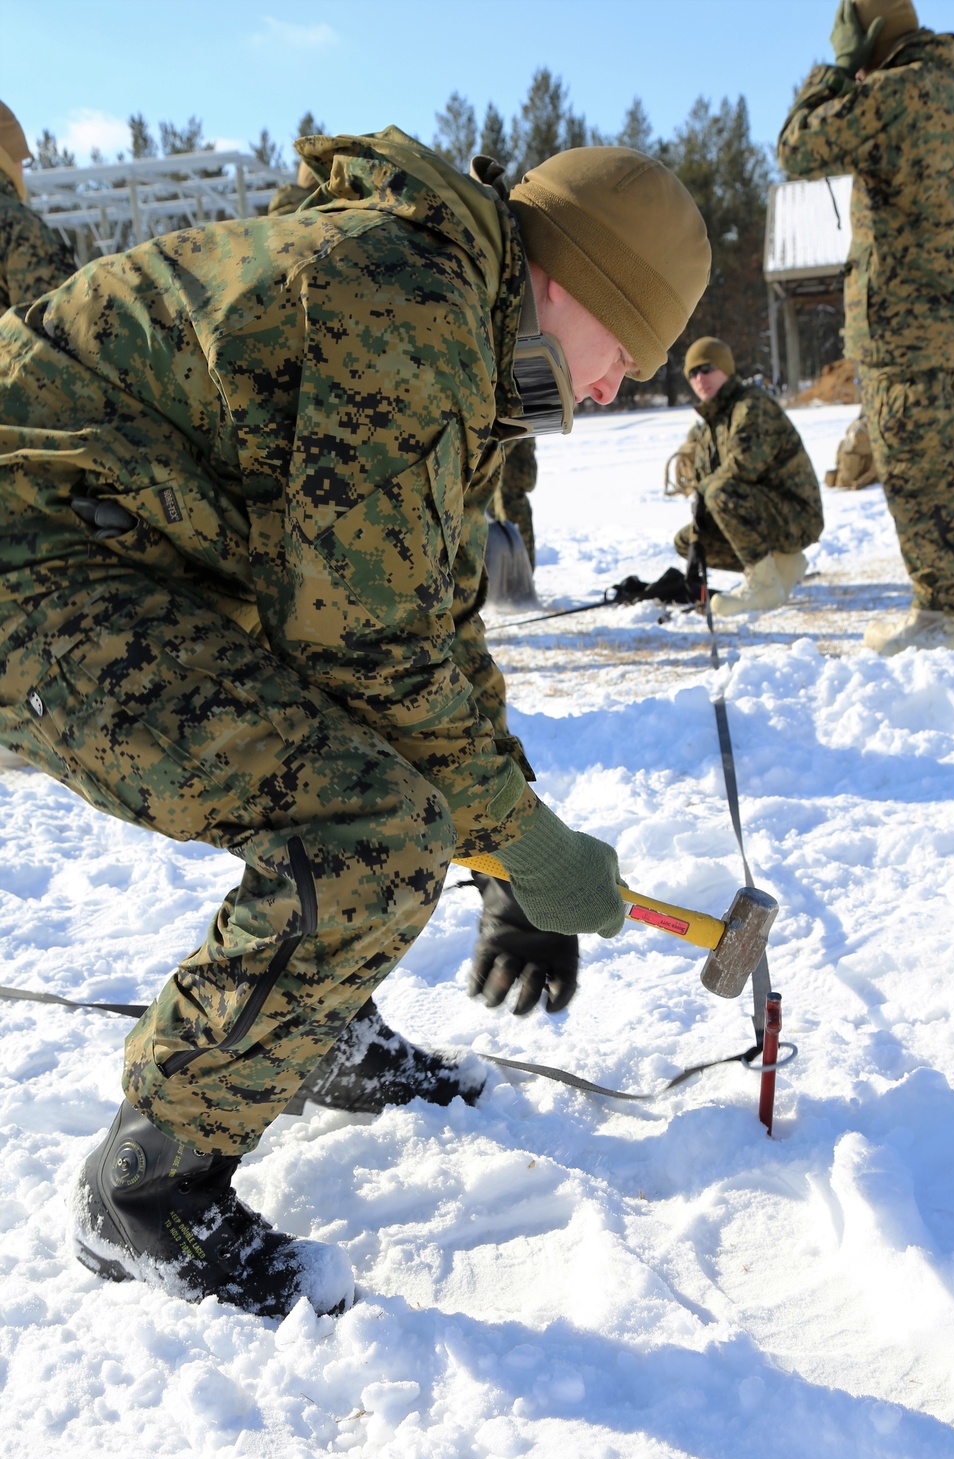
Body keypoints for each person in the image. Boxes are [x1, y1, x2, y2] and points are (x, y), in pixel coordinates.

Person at [0, 126, 710, 1316]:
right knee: (369, 825)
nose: (608, 390)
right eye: (622, 352)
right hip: (37, 569)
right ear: (571, 281)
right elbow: (366, 647)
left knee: (396, 786)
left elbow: (427, 620)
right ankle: (146, 1189)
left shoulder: (459, 314)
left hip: (121, 550)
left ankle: (308, 1025)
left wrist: (501, 847)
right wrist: (523, 845)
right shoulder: (406, 305)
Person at [777, 0, 954, 655]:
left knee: (912, 475)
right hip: (944, 318)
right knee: (932, 468)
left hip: (902, 323)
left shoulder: (894, 96)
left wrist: (838, 70)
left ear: (869, 38)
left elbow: (796, 146)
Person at [611, 336, 823, 614]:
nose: (700, 378)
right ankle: (780, 566)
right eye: (692, 373)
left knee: (720, 492)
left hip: (797, 517)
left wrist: (704, 496)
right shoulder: (707, 426)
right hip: (761, 513)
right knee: (689, 541)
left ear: (726, 369)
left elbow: (742, 470)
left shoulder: (752, 406)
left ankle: (765, 585)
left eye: (707, 368)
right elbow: (705, 486)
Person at [0, 101, 77, 316]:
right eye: (21, 161)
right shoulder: (18, 226)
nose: (22, 171)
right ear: (7, 159)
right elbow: (53, 326)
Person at [490, 436, 538, 569]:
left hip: (517, 495)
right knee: (513, 550)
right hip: (505, 498)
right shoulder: (511, 431)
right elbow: (496, 451)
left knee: (524, 554)